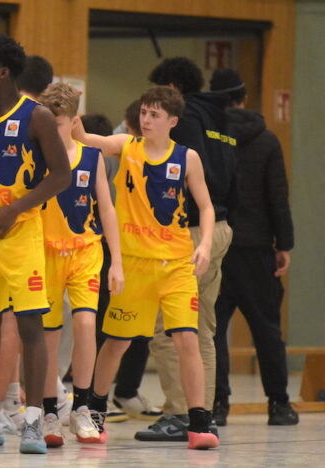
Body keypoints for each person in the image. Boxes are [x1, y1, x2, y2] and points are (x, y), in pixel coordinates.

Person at [74, 85, 219, 450]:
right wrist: (69, 115)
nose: (146, 118)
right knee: (117, 342)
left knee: (187, 339)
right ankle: (96, 409)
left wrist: (203, 244)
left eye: (155, 114)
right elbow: (86, 138)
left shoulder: (187, 158)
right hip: (134, 265)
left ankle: (199, 421)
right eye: (143, 112)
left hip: (176, 266)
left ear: (172, 121)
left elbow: (205, 206)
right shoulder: (126, 146)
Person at [0, 33, 72, 455]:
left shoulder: (37, 116)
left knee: (30, 327)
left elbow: (60, 176)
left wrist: (13, 210)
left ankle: (32, 420)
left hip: (21, 234)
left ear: (3, 73)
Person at [138, 57, 236, 442]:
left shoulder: (186, 122)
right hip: (221, 228)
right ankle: (201, 415)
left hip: (188, 233)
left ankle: (180, 413)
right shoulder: (224, 120)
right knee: (202, 331)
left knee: (169, 329)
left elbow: (173, 176)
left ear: (173, 89)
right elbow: (234, 177)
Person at [209, 68, 298, 426]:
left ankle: (217, 406)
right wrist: (284, 243)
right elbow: (278, 197)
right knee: (267, 329)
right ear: (244, 97)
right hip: (257, 246)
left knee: (213, 330)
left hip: (216, 244)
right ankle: (278, 404)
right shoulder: (267, 140)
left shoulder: (209, 137)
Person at [37, 83, 124, 447]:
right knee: (49, 335)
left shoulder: (91, 158)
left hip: (86, 251)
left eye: (57, 124)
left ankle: (83, 407)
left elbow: (106, 209)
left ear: (74, 122)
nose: (51, 132)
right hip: (44, 253)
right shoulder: (35, 157)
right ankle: (48, 413)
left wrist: (116, 261)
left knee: (87, 323)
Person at [87, 108, 164, 423]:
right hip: (104, 245)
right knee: (105, 324)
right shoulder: (113, 147)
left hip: (139, 249)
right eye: (145, 118)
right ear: (135, 124)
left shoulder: (158, 152)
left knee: (139, 330)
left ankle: (125, 391)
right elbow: (100, 203)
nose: (148, 125)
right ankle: (93, 397)